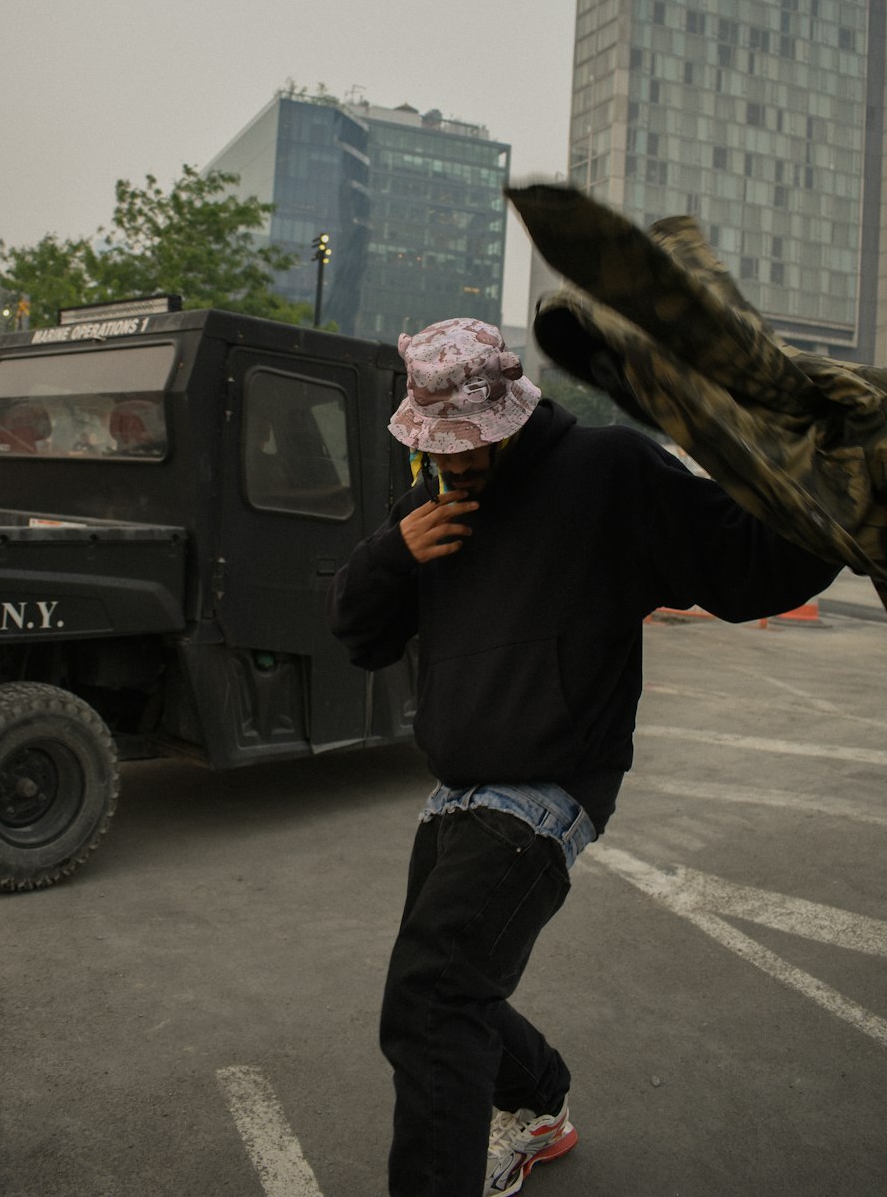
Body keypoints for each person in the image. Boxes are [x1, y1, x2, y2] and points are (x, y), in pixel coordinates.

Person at [327, 317, 841, 1197]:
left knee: (431, 998)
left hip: (548, 787)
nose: (453, 463)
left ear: (511, 417)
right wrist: (392, 554)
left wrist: (833, 503)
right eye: (437, 448)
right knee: (449, 988)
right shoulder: (433, 502)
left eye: (468, 447)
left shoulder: (607, 471)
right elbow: (359, 636)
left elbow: (745, 565)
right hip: (456, 789)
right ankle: (537, 1105)